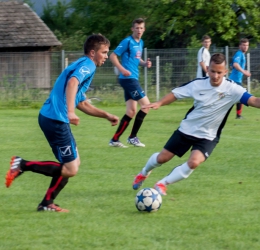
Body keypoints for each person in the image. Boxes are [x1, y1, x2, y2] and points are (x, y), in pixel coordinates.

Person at [5, 34, 119, 212]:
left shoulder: (82, 64)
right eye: (104, 52)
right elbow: (72, 84)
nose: (106, 56)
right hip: (56, 119)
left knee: (72, 163)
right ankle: (22, 164)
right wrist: (70, 112)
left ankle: (46, 203)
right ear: (92, 52)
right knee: (70, 168)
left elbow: (80, 102)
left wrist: (105, 115)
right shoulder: (88, 65)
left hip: (52, 117)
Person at [132, 53, 260, 196]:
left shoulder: (233, 89)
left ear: (225, 72)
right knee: (162, 158)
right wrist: (159, 103)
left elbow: (254, 101)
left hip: (208, 136)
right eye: (212, 71)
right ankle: (143, 173)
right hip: (187, 129)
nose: (215, 76)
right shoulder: (198, 84)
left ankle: (162, 183)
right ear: (207, 69)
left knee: (194, 162)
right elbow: (176, 94)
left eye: (219, 72)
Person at [109, 18, 152, 148]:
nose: (139, 30)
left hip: (132, 78)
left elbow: (136, 58)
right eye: (136, 28)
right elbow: (112, 56)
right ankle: (132, 137)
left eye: (141, 28)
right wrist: (122, 69)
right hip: (128, 79)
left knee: (131, 111)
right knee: (146, 105)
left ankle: (115, 140)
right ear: (132, 29)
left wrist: (144, 63)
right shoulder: (127, 41)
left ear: (144, 29)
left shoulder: (140, 42)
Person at [229, 38, 251, 119]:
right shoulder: (239, 54)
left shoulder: (241, 54)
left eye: (247, 45)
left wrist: (242, 70)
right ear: (240, 46)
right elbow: (235, 64)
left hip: (236, 80)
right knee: (240, 96)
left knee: (237, 97)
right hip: (234, 81)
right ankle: (238, 115)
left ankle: (238, 115)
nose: (245, 47)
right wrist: (244, 71)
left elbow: (231, 65)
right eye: (244, 45)